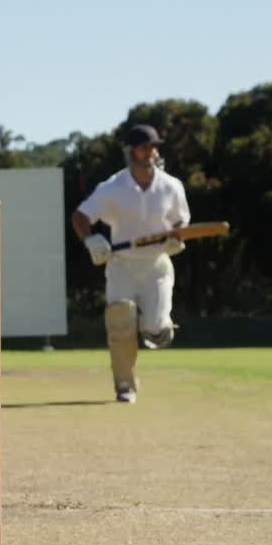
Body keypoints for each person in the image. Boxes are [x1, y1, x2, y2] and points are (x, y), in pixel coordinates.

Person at [70, 124, 189, 404]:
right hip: (122, 265)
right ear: (131, 151)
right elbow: (80, 217)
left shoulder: (171, 186)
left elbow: (181, 221)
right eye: (145, 147)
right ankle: (125, 385)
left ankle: (160, 327)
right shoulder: (113, 187)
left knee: (155, 327)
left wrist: (176, 238)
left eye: (154, 147)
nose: (151, 152)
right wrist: (90, 240)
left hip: (157, 266)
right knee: (121, 325)